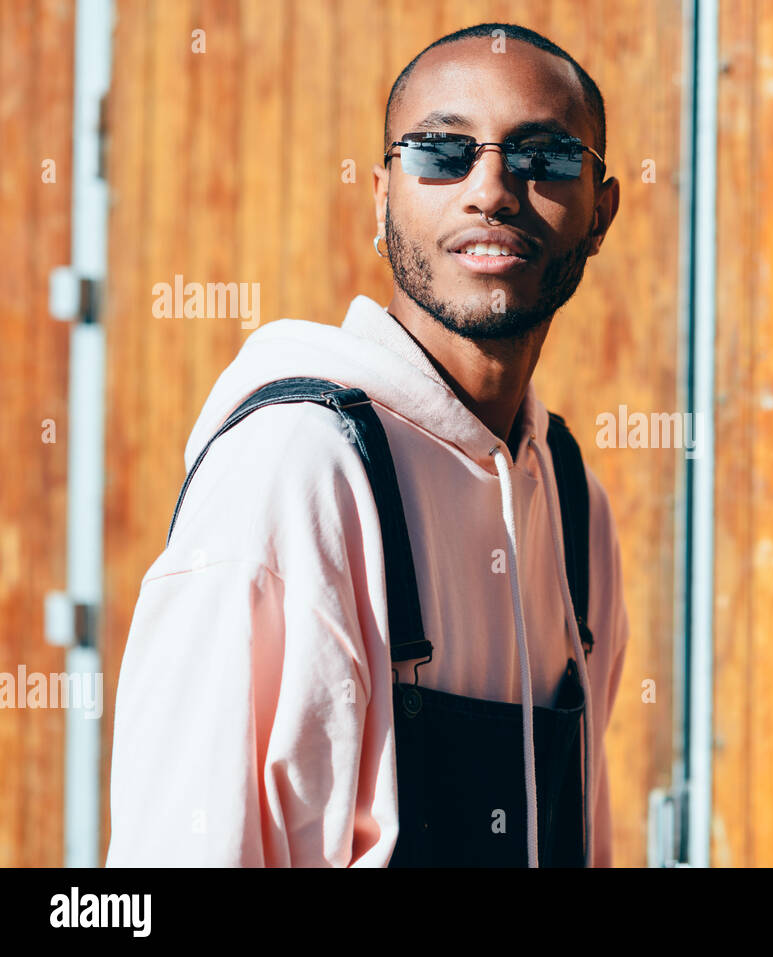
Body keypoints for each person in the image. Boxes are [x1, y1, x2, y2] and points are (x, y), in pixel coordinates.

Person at [105, 21, 628, 867]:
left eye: (545, 157)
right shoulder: (296, 468)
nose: (490, 189)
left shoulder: (572, 502)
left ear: (601, 212)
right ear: (382, 200)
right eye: (440, 152)